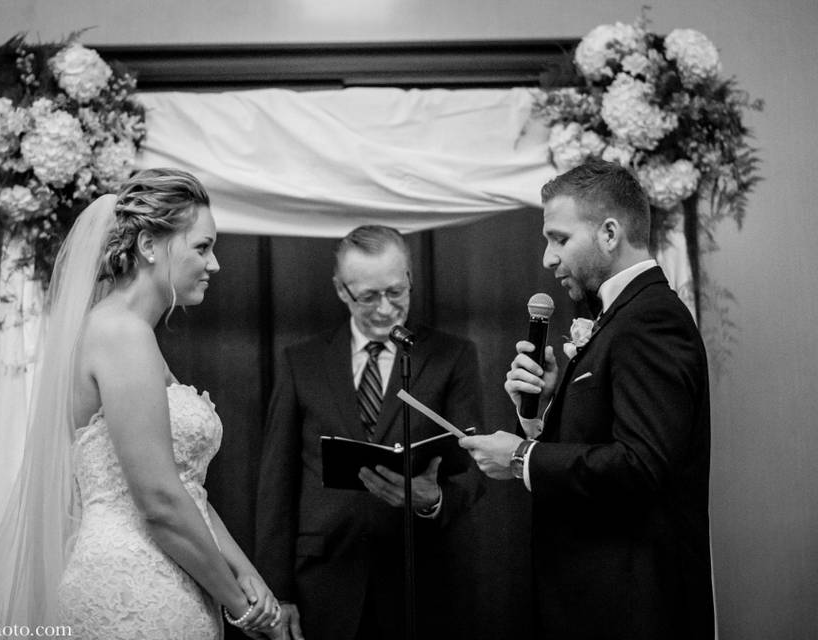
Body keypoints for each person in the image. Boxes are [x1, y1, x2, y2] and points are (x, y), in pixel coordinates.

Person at [0, 168, 281, 639]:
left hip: (167, 575)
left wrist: (247, 572)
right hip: (134, 590)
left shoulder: (130, 335)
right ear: (149, 246)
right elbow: (158, 500)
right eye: (202, 247)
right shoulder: (121, 334)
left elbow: (185, 489)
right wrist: (240, 605)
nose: (215, 263)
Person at [460, 160, 715, 639]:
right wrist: (541, 416)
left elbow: (641, 465)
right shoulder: (622, 316)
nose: (547, 259)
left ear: (610, 232)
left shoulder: (649, 319)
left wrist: (521, 458)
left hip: (632, 613)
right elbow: (608, 440)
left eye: (559, 238)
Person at [255, 225, 484, 640]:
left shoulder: (453, 356)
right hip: (324, 579)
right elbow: (277, 483)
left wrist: (433, 500)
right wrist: (278, 591)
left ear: (411, 279)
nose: (384, 308)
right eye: (368, 296)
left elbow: (475, 468)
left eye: (396, 292)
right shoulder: (300, 362)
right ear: (342, 290)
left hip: (419, 581)